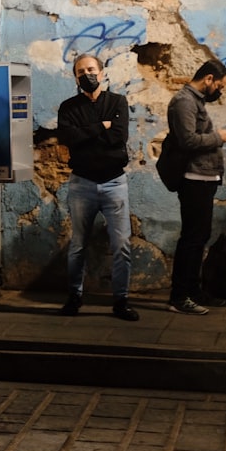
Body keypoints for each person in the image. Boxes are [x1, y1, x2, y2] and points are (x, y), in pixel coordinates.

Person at [56, 54, 139, 321]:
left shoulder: (117, 102)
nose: (87, 75)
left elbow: (119, 137)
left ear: (102, 73)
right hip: (82, 184)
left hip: (115, 182)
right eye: (81, 71)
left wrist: (88, 133)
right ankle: (74, 296)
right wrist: (100, 127)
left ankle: (121, 300)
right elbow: (69, 139)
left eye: (91, 69)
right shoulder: (68, 107)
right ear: (76, 77)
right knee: (78, 244)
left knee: (122, 244)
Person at [166, 59, 226, 314]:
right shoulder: (184, 101)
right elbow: (187, 141)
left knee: (199, 237)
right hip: (193, 178)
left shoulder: (194, 100)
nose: (219, 91)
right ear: (208, 79)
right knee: (192, 238)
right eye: (219, 86)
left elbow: (197, 135)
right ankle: (179, 297)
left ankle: (193, 291)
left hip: (204, 177)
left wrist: (219, 134)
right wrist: (218, 137)